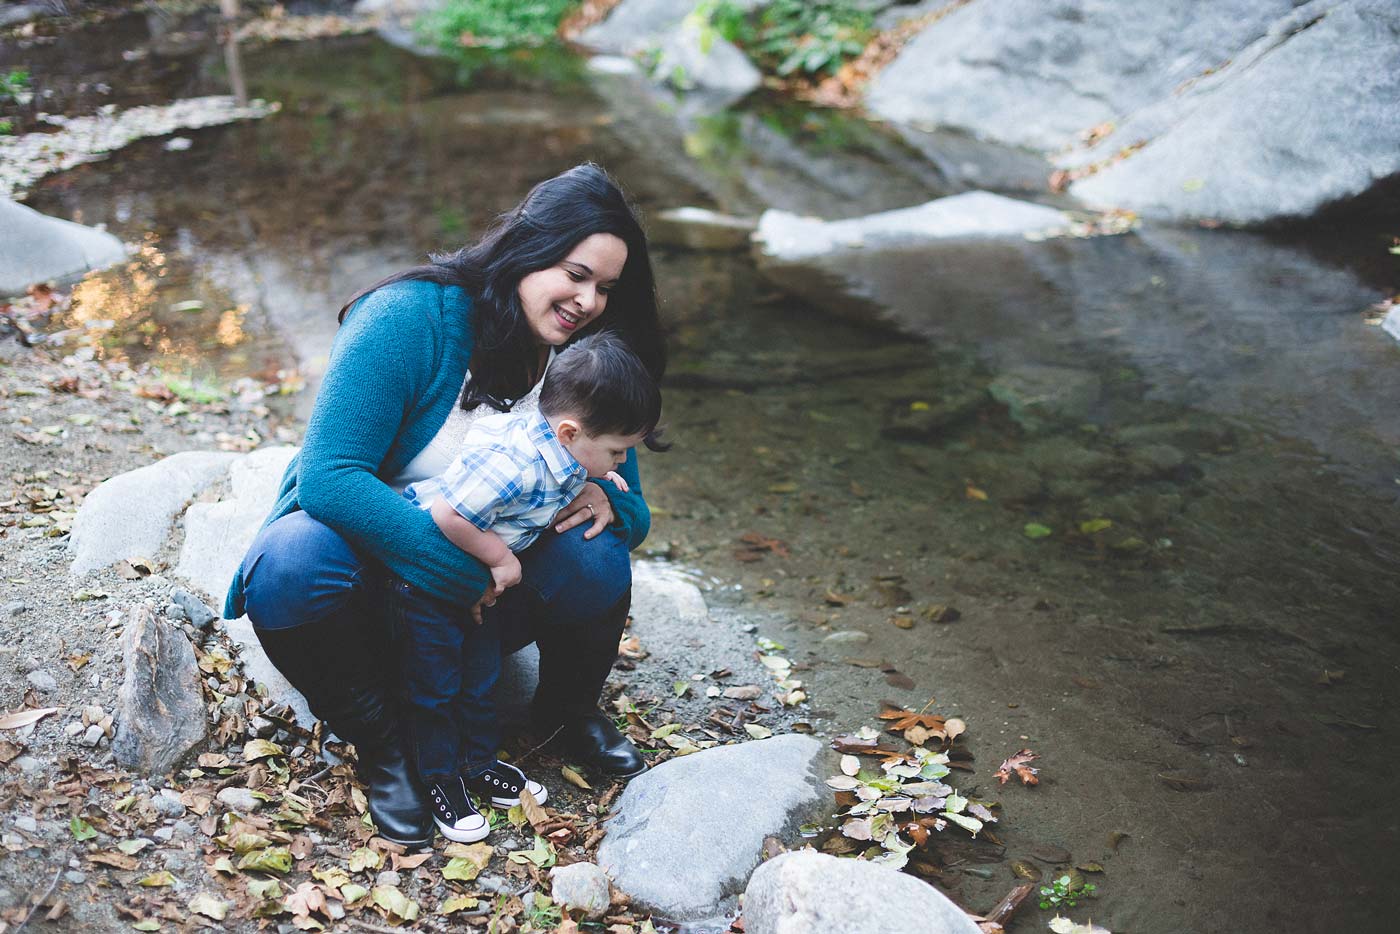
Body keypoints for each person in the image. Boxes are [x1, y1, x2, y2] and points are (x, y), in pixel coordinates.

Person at [224, 163, 666, 848]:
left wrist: (613, 507)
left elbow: (629, 498)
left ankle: (565, 713)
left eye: (606, 288)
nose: (588, 300)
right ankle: (384, 747)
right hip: (381, 578)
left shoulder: (585, 361)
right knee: (290, 565)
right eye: (575, 274)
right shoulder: (409, 318)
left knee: (594, 554)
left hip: (489, 606)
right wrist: (464, 572)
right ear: (529, 248)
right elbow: (330, 477)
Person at [399, 332, 661, 842]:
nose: (620, 462)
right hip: (429, 582)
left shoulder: (563, 453)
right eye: (615, 452)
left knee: (478, 676)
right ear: (569, 432)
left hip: (476, 589)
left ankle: (476, 764)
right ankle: (437, 779)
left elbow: (559, 493)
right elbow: (446, 513)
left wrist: (599, 484)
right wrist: (499, 560)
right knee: (435, 686)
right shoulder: (513, 461)